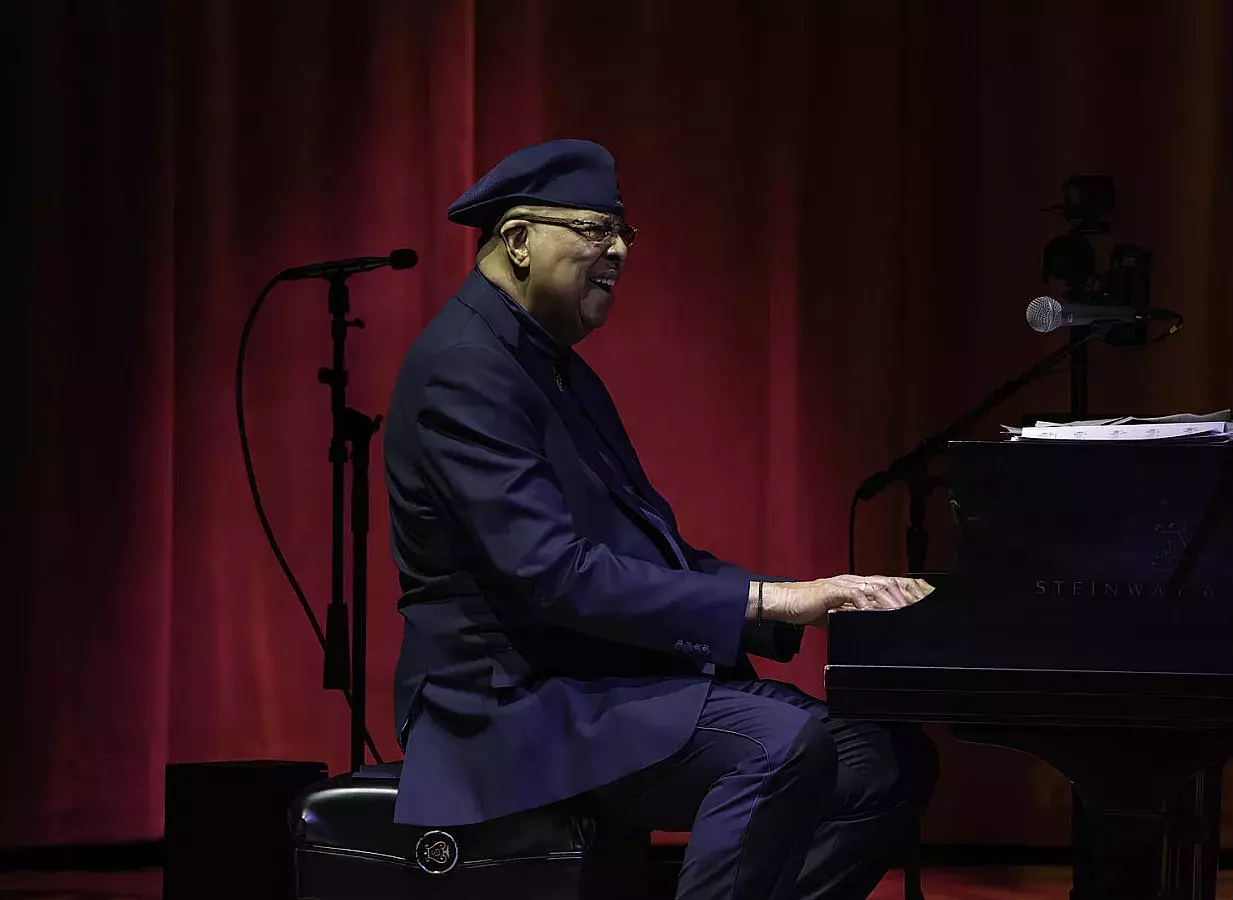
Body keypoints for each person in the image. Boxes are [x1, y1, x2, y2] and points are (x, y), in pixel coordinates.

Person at [382, 139, 938, 900]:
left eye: (623, 233)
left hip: (592, 678)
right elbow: (554, 574)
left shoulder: (553, 367)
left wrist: (813, 594)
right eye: (592, 228)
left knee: (885, 759)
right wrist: (772, 602)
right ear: (517, 240)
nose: (616, 249)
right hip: (509, 703)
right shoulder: (465, 369)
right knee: (779, 747)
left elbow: (656, 552)